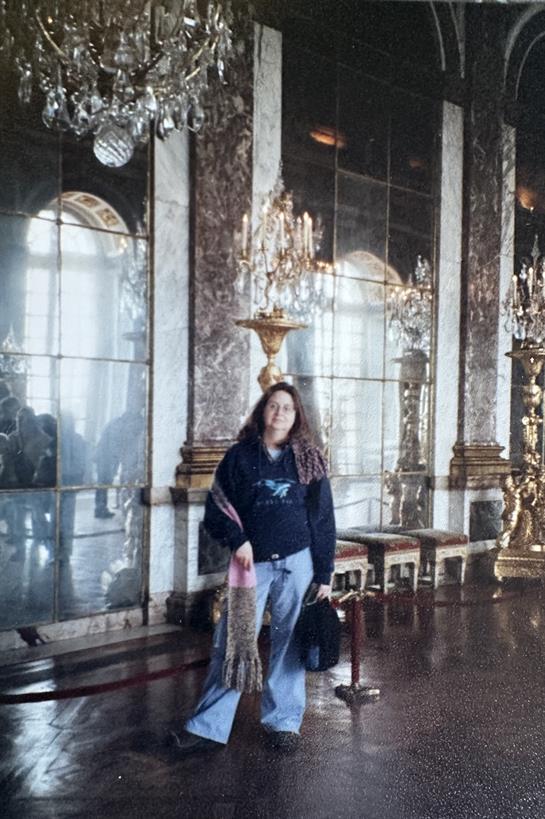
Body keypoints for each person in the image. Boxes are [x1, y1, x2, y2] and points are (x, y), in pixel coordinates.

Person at [170, 382, 336, 755]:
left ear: (297, 416)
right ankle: (208, 727)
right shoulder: (239, 457)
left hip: (298, 563)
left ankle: (284, 723)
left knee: (289, 644)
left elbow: (323, 519)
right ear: (263, 410)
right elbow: (216, 508)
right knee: (234, 642)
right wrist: (238, 539)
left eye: (288, 408)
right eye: (274, 405)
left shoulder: (309, 459)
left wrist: (324, 573)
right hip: (251, 565)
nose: (280, 413)